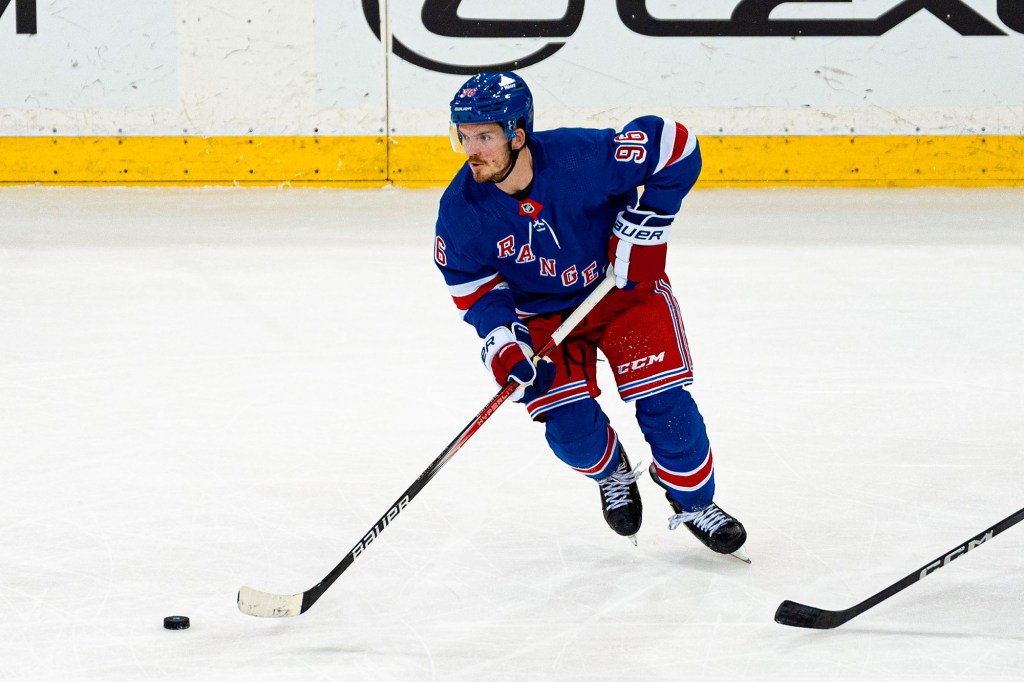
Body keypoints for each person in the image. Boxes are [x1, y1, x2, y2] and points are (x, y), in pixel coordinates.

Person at [433, 71, 747, 560]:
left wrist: (649, 223)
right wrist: (501, 341)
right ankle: (613, 472)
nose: (472, 149)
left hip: (623, 295)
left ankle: (696, 503)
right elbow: (472, 286)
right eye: (464, 136)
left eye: (485, 136)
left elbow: (675, 143)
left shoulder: (582, 156)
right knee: (570, 430)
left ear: (518, 134)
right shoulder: (460, 210)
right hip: (542, 318)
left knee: (667, 408)